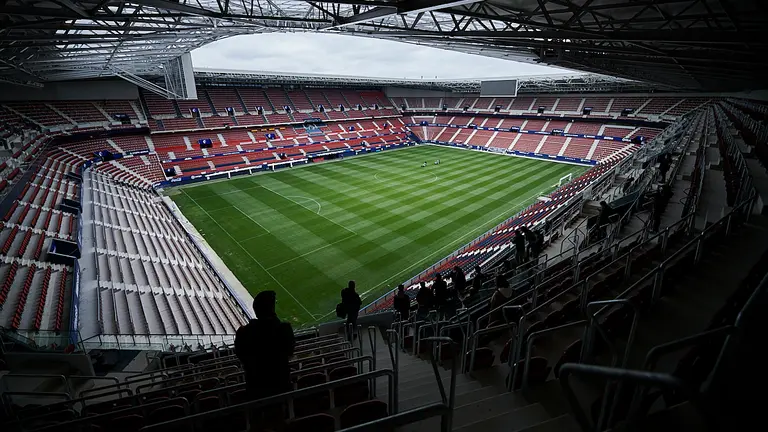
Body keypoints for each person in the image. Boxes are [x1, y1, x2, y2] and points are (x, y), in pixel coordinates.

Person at [235, 291, 295, 401]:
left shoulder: (243, 333)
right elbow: (289, 352)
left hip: (255, 388)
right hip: (282, 386)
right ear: (272, 309)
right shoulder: (284, 329)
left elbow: (240, 356)